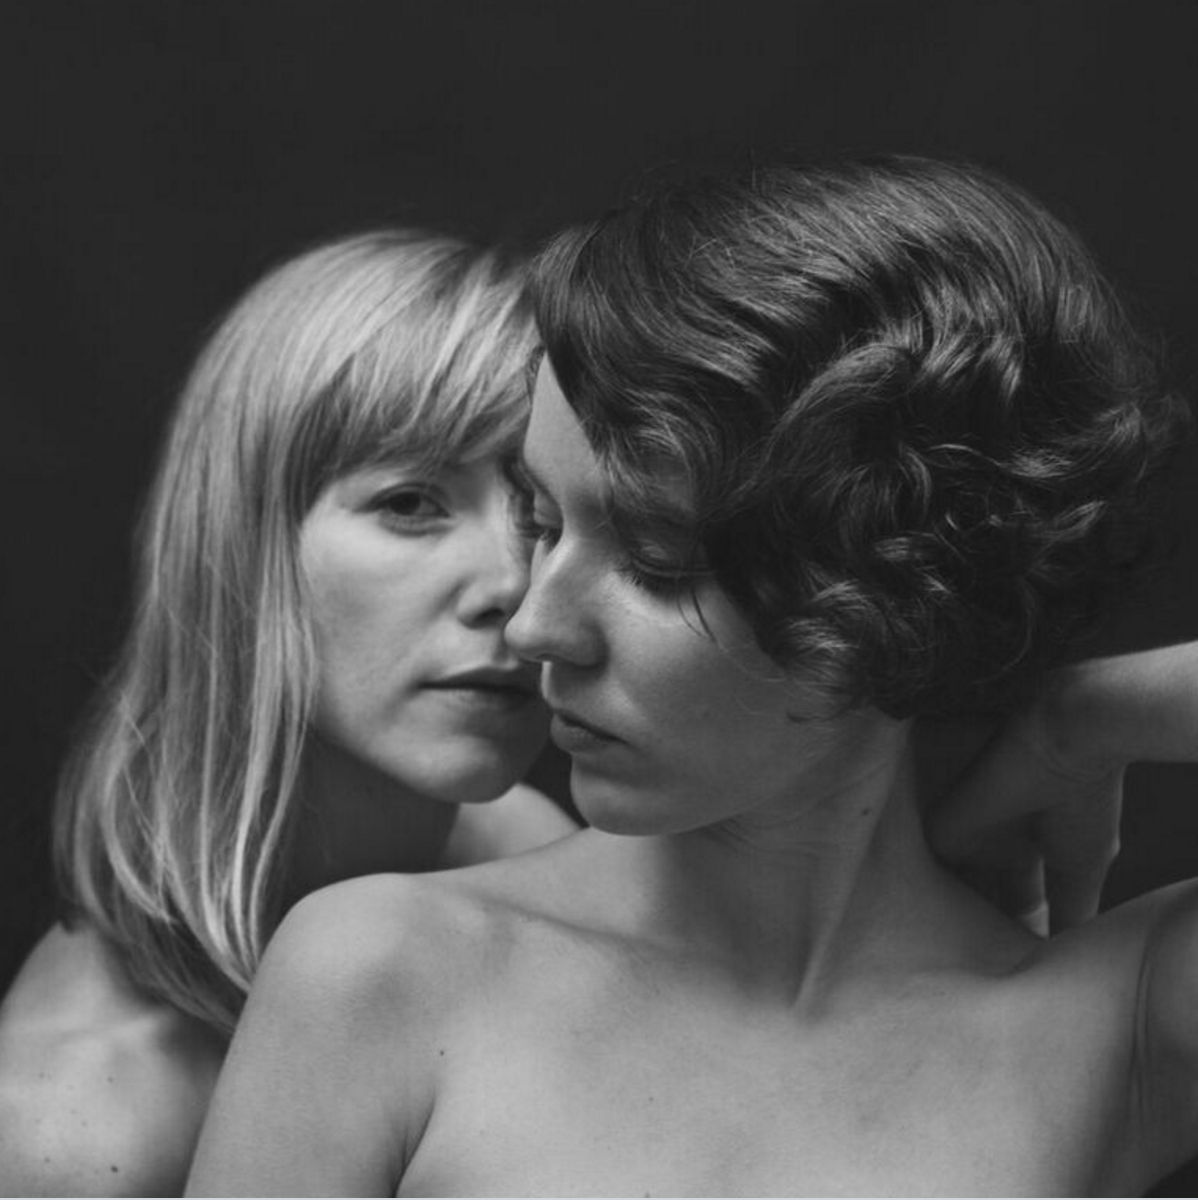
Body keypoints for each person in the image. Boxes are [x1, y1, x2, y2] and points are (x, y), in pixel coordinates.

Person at [186, 158, 1195, 1197]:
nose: (535, 626)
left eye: (656, 559)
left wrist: (1081, 719)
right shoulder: (383, 972)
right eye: (544, 520)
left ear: (900, 585)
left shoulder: (1116, 1024)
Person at [0, 229, 575, 1195]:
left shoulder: (518, 845)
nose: (515, 586)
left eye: (540, 513)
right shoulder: (79, 1126)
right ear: (242, 546)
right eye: (411, 502)